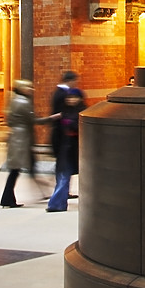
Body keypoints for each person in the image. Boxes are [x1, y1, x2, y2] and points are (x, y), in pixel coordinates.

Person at [0, 79, 40, 208]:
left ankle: (8, 199)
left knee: (14, 170)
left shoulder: (14, 100)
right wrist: (51, 118)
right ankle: (7, 199)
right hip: (21, 139)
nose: (31, 90)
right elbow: (33, 119)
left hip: (16, 137)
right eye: (28, 87)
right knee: (15, 170)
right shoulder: (23, 102)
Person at [46, 79, 85, 212]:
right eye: (70, 97)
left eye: (75, 97)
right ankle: (56, 204)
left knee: (66, 177)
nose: (72, 100)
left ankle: (57, 203)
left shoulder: (83, 112)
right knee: (63, 177)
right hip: (65, 150)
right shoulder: (64, 112)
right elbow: (57, 131)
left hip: (76, 150)